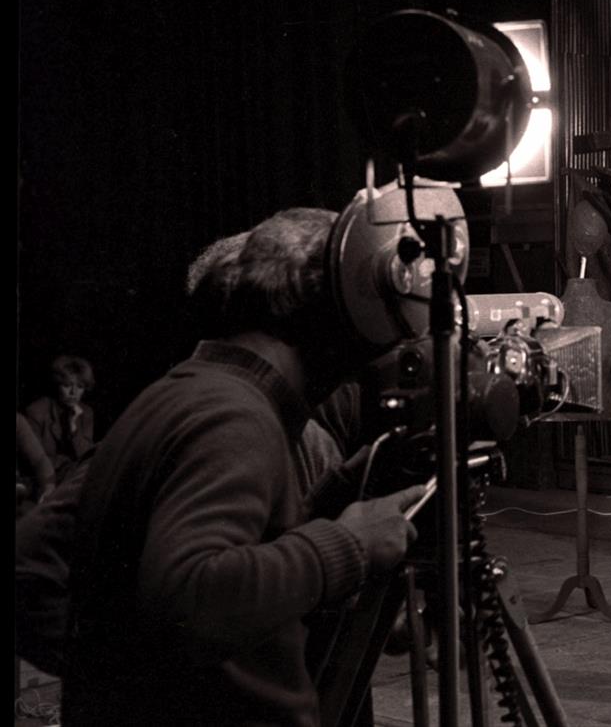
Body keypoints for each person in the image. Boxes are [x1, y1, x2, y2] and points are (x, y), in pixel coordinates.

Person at [49, 208, 425, 726]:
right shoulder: (235, 415)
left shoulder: (177, 395)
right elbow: (189, 594)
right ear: (324, 314)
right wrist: (350, 546)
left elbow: (33, 559)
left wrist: (122, 675)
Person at [22, 354, 97, 481]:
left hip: (74, 478)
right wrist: (67, 463)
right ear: (57, 384)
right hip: (43, 479)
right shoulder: (36, 411)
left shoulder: (86, 413)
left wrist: (74, 430)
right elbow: (34, 460)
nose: (73, 393)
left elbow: (86, 456)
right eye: (67, 385)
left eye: (80, 387)